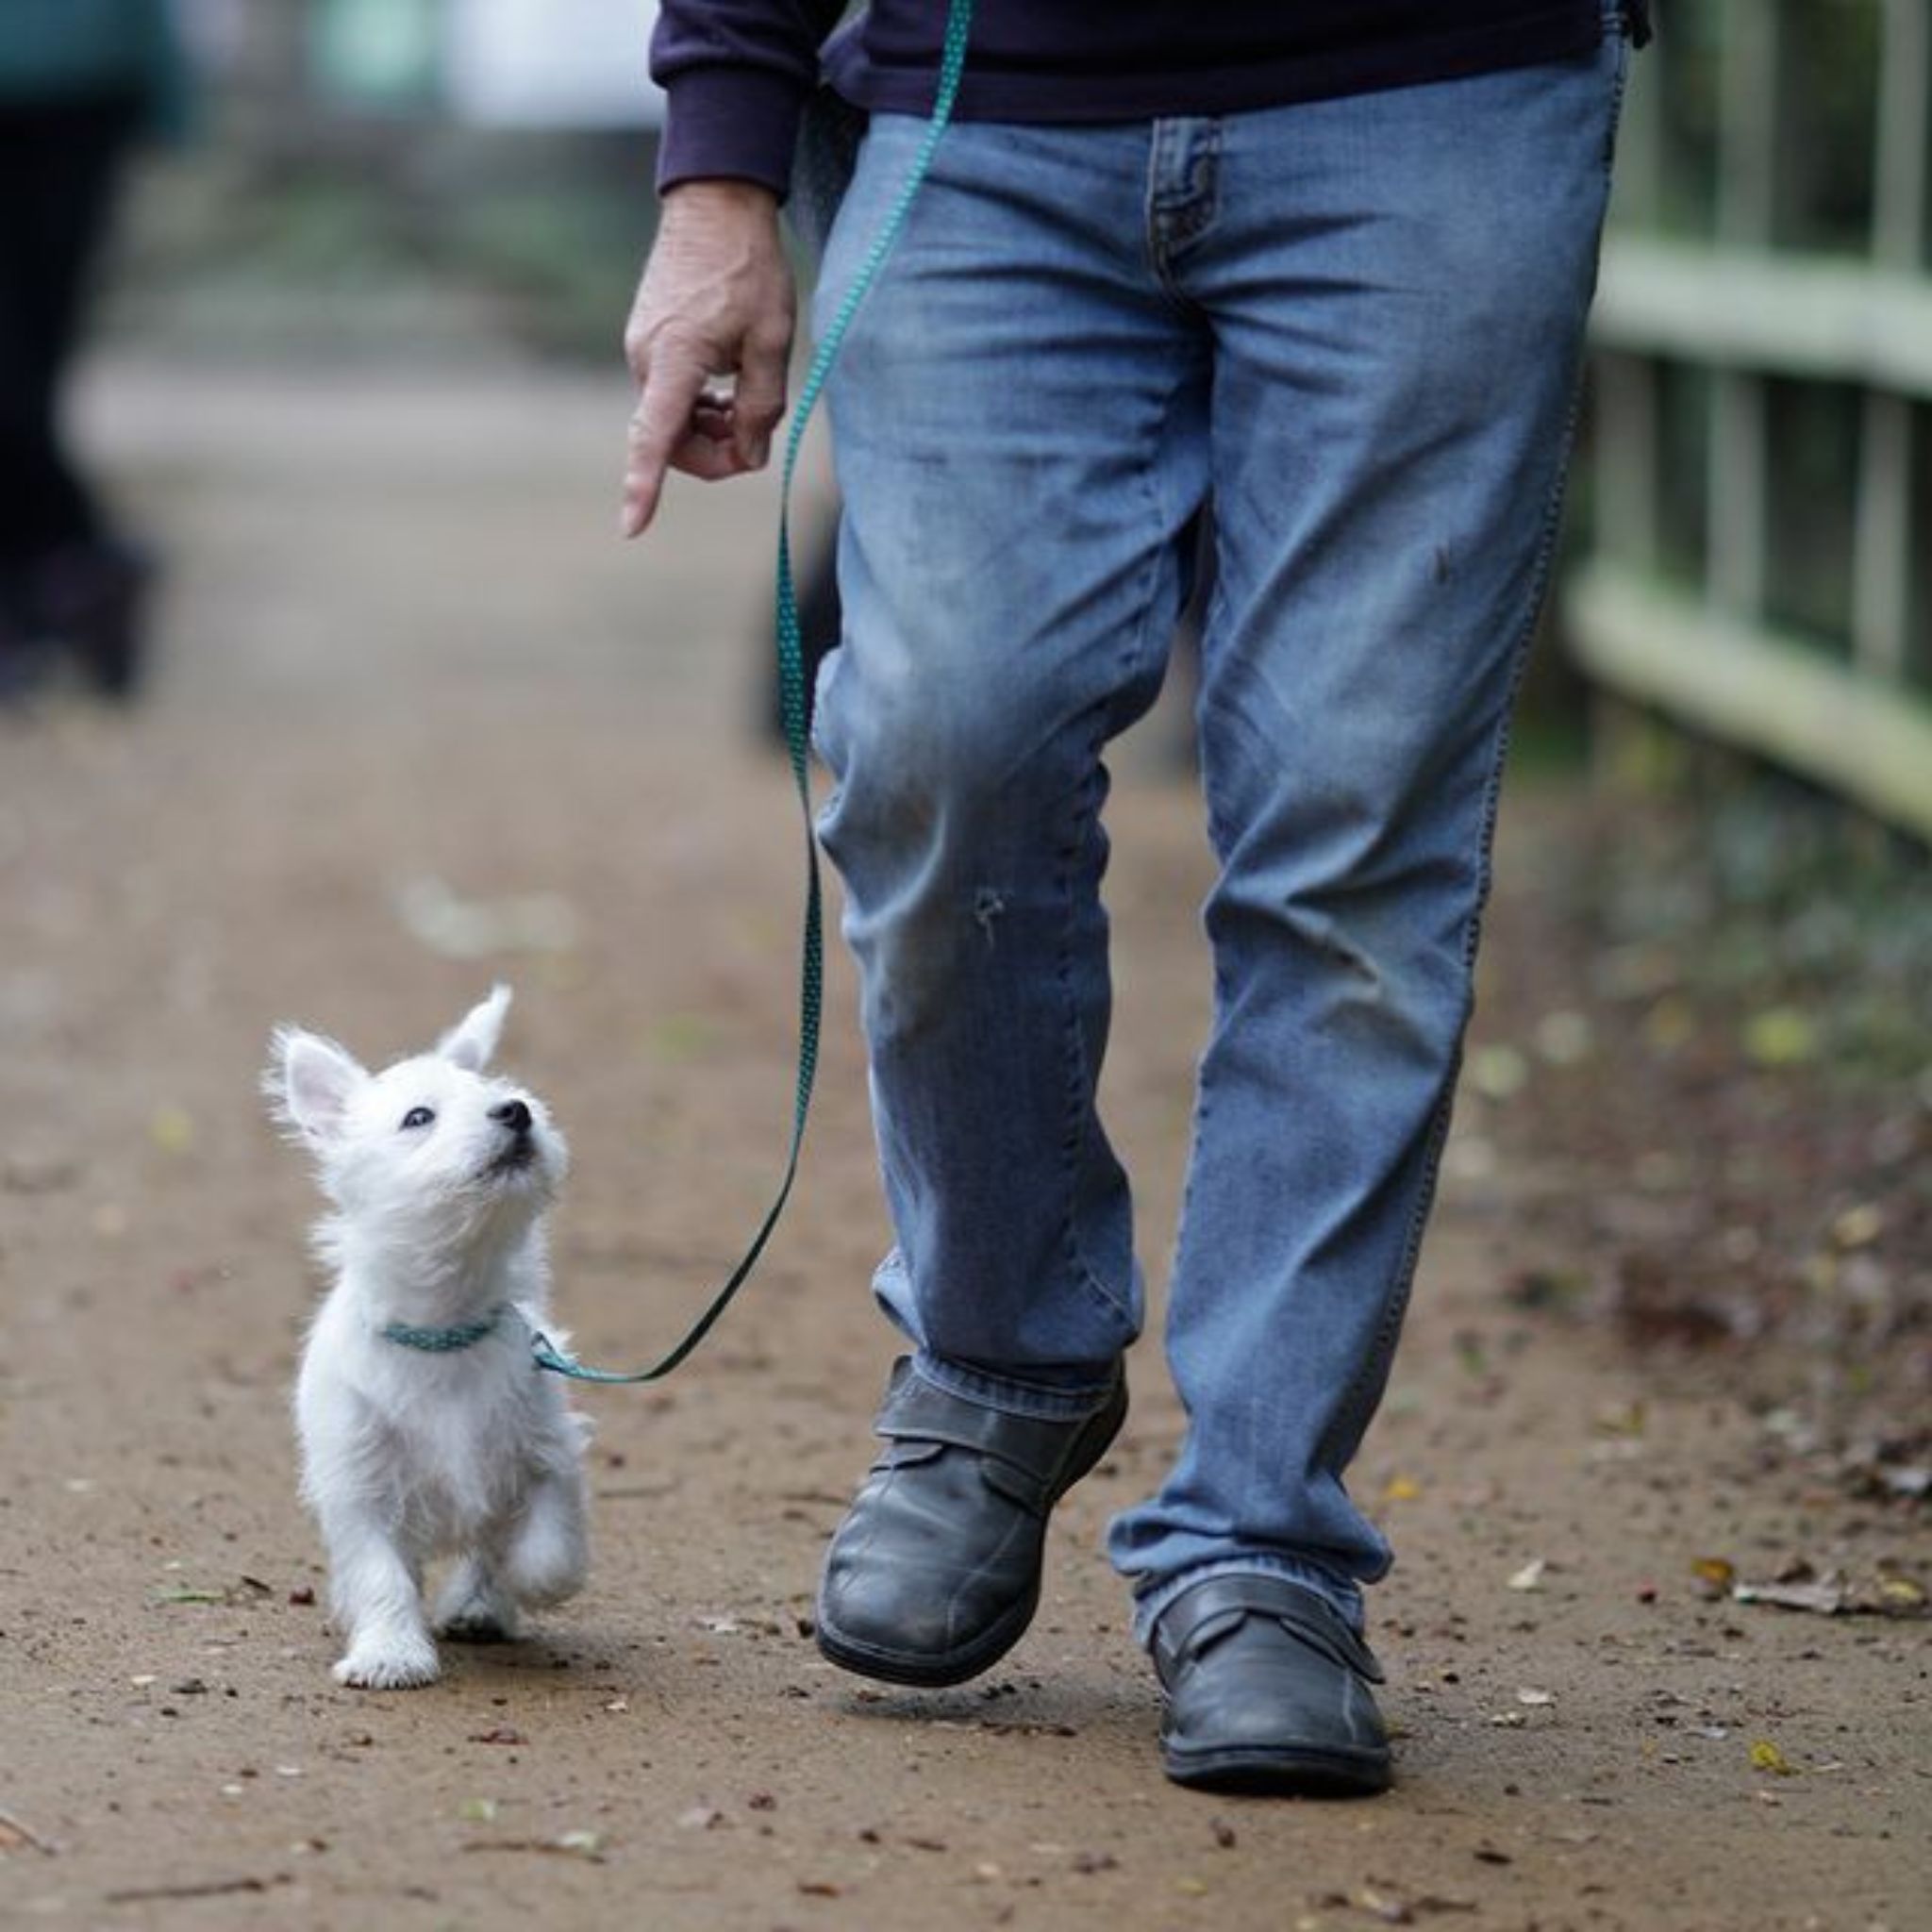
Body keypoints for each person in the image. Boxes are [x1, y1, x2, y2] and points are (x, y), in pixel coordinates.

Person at [620, 0, 1648, 1796]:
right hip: (983, 108)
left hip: (1438, 95)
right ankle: (1001, 1359)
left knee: (1354, 827)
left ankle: (1261, 1545)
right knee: (944, 737)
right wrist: (719, 162)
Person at [0, 0, 189, 703]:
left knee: (33, 356)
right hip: (88, 66)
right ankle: (72, 563)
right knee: (20, 363)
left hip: (76, 72)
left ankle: (51, 574)